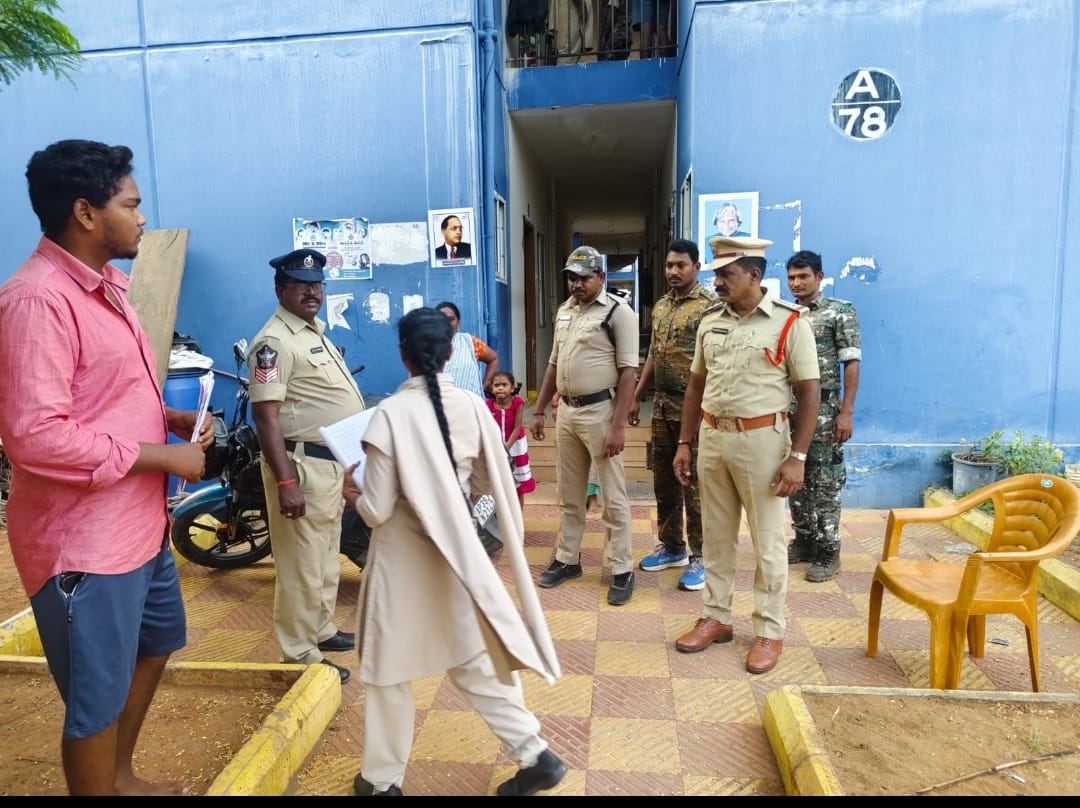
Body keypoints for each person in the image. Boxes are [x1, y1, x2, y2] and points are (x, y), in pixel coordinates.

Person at [0, 139, 213, 795]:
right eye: (131, 204)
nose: (143, 218)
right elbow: (35, 436)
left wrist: (167, 418)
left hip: (138, 529)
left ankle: (118, 778)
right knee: (94, 702)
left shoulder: (109, 290)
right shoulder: (36, 301)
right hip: (83, 546)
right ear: (86, 213)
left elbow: (102, 397)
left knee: (157, 643)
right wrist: (163, 455)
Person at [342, 307, 566, 797]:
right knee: (472, 658)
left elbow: (376, 511)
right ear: (449, 353)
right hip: (458, 556)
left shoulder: (390, 414)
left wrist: (352, 490)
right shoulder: (472, 405)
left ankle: (381, 781)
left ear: (403, 355)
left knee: (387, 669)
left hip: (401, 562)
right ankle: (536, 755)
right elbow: (488, 479)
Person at [672, 236, 820, 675]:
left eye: (726, 274)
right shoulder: (710, 321)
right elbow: (696, 384)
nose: (717, 281)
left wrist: (798, 456)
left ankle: (769, 629)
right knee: (716, 536)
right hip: (713, 438)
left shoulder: (790, 322)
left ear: (754, 275)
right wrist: (685, 442)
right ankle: (716, 616)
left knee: (767, 540)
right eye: (716, 274)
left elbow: (809, 390)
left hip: (763, 442)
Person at [248, 247, 367, 685]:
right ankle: (300, 653)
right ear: (281, 289)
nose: (312, 292)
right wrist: (285, 482)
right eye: (301, 285)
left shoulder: (312, 331)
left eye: (317, 285)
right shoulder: (274, 343)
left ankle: (321, 629)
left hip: (327, 465)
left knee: (325, 557)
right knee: (301, 564)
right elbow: (266, 418)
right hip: (300, 467)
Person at [529, 245, 639, 605]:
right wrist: (540, 409)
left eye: (584, 278)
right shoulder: (564, 311)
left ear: (601, 277)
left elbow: (628, 373)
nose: (576, 284)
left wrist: (618, 426)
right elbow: (552, 364)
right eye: (571, 278)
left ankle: (622, 568)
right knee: (570, 493)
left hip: (601, 412)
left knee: (613, 496)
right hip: (567, 413)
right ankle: (567, 559)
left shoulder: (619, 313)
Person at [629, 238, 716, 591]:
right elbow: (653, 354)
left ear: (696, 267)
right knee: (663, 481)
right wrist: (637, 395)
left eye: (681, 265)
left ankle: (703, 557)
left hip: (693, 408)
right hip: (662, 406)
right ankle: (672, 546)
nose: (673, 271)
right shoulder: (662, 306)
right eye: (669, 265)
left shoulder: (709, 307)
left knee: (693, 484)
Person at [784, 250, 862, 582]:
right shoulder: (787, 314)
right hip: (791, 409)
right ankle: (804, 540)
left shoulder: (839, 312)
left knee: (826, 482)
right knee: (795, 477)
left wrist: (846, 412)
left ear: (819, 276)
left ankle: (829, 550)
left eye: (803, 276)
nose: (796, 283)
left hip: (827, 411)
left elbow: (851, 363)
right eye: (791, 277)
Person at [487, 369, 537, 509]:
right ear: (491, 388)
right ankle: (499, 516)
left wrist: (506, 448)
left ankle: (518, 517)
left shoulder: (517, 403)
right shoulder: (488, 405)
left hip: (515, 447)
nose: (500, 388)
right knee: (496, 482)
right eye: (497, 385)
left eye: (504, 385)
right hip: (496, 447)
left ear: (512, 388)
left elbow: (517, 428)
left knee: (518, 485)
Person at [436, 301, 499, 397]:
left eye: (451, 319)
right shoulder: (426, 346)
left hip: (470, 403)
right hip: (438, 403)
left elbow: (493, 358)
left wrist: (485, 385)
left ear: (459, 322)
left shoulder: (470, 342)